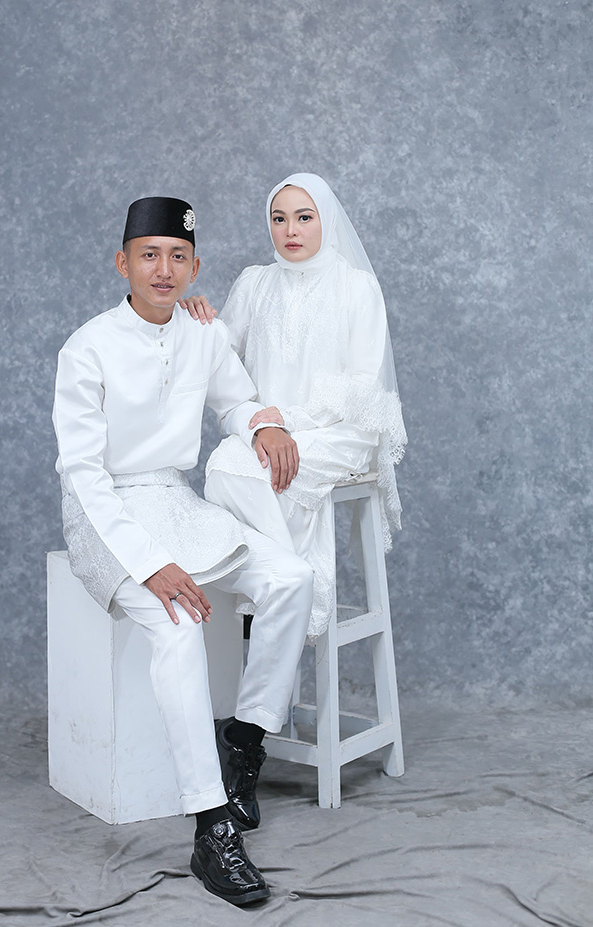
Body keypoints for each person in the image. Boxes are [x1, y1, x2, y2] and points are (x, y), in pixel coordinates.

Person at [52, 196, 313, 908]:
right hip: (104, 515)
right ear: (123, 263)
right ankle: (210, 825)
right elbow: (82, 475)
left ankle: (244, 744)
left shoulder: (202, 331)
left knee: (292, 577)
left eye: (177, 257)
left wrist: (261, 426)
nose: (163, 269)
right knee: (177, 625)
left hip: (175, 502)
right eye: (149, 255)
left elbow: (235, 399)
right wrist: (147, 564)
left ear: (194, 267)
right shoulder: (86, 347)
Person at [181, 173, 407, 641]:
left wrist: (291, 419)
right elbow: (221, 353)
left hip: (341, 430)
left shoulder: (357, 286)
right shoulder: (255, 282)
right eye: (279, 218)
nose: (290, 231)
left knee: (268, 474)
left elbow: (363, 386)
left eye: (304, 218)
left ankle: (272, 607)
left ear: (327, 220)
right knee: (224, 466)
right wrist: (196, 322)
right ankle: (293, 590)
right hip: (268, 433)